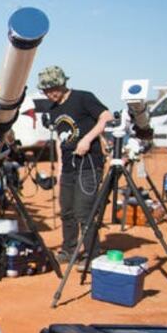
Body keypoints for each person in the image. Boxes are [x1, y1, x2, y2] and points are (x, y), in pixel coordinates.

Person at [38, 65, 113, 266]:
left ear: (62, 84)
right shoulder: (52, 109)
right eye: (45, 91)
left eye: (51, 89)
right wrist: (60, 167)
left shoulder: (83, 98)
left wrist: (87, 140)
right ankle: (69, 250)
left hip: (88, 165)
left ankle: (92, 254)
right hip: (69, 168)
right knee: (67, 211)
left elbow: (106, 116)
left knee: (83, 211)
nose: (48, 94)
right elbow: (59, 140)